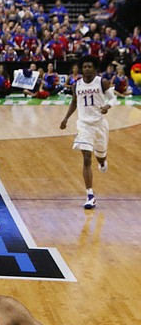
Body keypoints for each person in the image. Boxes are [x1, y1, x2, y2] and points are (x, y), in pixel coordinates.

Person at [60, 55, 118, 209]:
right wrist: (65, 119)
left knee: (100, 157)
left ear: (95, 68)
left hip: (99, 125)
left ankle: (103, 161)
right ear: (81, 68)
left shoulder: (102, 82)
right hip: (84, 125)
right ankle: (90, 196)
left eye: (89, 66)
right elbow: (74, 102)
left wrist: (107, 106)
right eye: (84, 67)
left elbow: (113, 99)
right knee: (86, 157)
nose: (86, 69)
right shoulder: (76, 85)